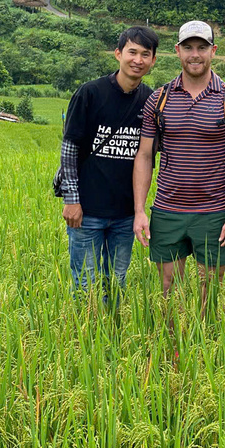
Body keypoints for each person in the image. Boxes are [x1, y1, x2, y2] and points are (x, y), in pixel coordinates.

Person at [132, 20, 225, 316]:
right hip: (167, 210)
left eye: (201, 47)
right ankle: (173, 347)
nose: (194, 54)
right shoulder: (158, 99)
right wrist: (139, 210)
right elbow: (145, 156)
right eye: (188, 47)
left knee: (210, 290)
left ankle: (206, 350)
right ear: (177, 51)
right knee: (168, 288)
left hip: (213, 212)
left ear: (214, 51)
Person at [60, 26, 158, 301]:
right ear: (118, 54)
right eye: (132, 52)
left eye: (145, 54)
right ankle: (86, 338)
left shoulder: (150, 101)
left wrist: (140, 210)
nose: (138, 60)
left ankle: (113, 335)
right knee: (85, 286)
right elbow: (70, 148)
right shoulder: (90, 93)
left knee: (117, 282)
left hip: (125, 214)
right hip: (87, 210)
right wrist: (71, 199)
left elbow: (149, 156)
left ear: (153, 61)